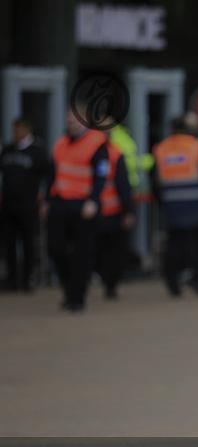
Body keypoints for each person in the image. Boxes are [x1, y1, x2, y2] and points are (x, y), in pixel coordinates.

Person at [46, 109, 110, 312]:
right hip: (60, 204)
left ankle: (77, 297)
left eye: (75, 119)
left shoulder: (97, 143)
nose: (71, 122)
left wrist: (93, 200)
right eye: (69, 119)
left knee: (82, 254)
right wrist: (47, 200)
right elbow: (52, 175)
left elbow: (101, 175)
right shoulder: (60, 144)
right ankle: (69, 288)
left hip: (84, 206)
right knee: (55, 249)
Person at [151, 116, 198, 297]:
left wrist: (163, 201)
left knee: (174, 244)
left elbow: (155, 182)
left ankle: (172, 283)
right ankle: (196, 279)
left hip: (172, 205)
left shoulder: (161, 149)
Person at [0, 117, 51, 292]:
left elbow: (48, 176)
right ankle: (11, 279)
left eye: (19, 129)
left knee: (29, 242)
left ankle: (28, 279)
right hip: (8, 205)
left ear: (27, 130)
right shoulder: (7, 150)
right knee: (9, 243)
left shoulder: (38, 152)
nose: (15, 133)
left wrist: (45, 200)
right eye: (14, 130)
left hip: (29, 205)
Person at [95, 139, 134, 299]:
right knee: (109, 252)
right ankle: (109, 283)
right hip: (99, 212)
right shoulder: (114, 153)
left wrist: (127, 211)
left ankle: (109, 283)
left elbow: (123, 185)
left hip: (109, 212)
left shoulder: (114, 154)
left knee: (110, 251)